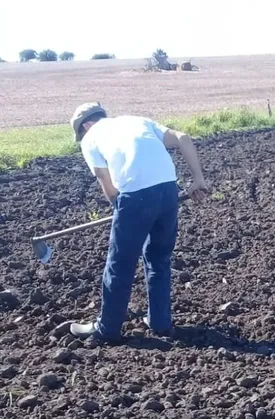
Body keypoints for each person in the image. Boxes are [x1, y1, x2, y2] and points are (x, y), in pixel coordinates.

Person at [68, 103, 210, 341]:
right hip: (168, 192)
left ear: (86, 126)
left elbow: (109, 186)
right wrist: (198, 180)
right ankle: (161, 322)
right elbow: (182, 137)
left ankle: (107, 330)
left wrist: (121, 210)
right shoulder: (137, 121)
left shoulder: (90, 138)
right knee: (159, 258)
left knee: (120, 264)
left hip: (135, 196)